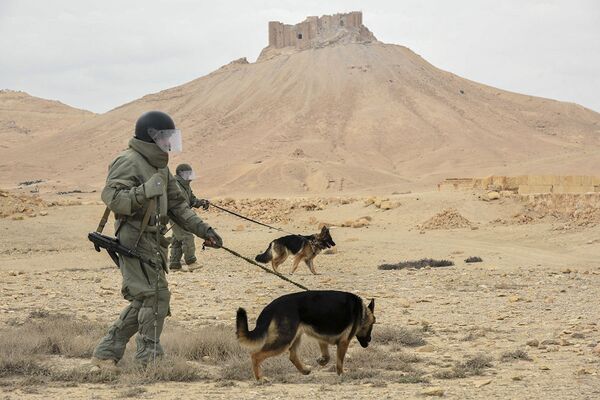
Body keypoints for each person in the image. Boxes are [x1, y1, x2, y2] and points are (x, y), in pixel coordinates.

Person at [91, 111, 222, 371]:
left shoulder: (160, 166)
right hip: (134, 237)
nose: (170, 143)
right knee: (157, 296)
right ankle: (149, 360)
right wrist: (143, 192)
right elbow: (112, 197)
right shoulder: (128, 161)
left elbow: (178, 206)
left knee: (145, 299)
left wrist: (204, 229)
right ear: (152, 136)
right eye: (166, 137)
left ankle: (106, 353)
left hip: (154, 239)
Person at [169, 163, 209, 271]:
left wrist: (201, 202)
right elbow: (175, 202)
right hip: (177, 216)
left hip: (183, 215)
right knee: (187, 236)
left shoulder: (185, 185)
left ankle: (174, 264)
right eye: (187, 174)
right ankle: (191, 261)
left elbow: (192, 200)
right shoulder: (175, 185)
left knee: (177, 239)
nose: (189, 176)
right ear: (181, 174)